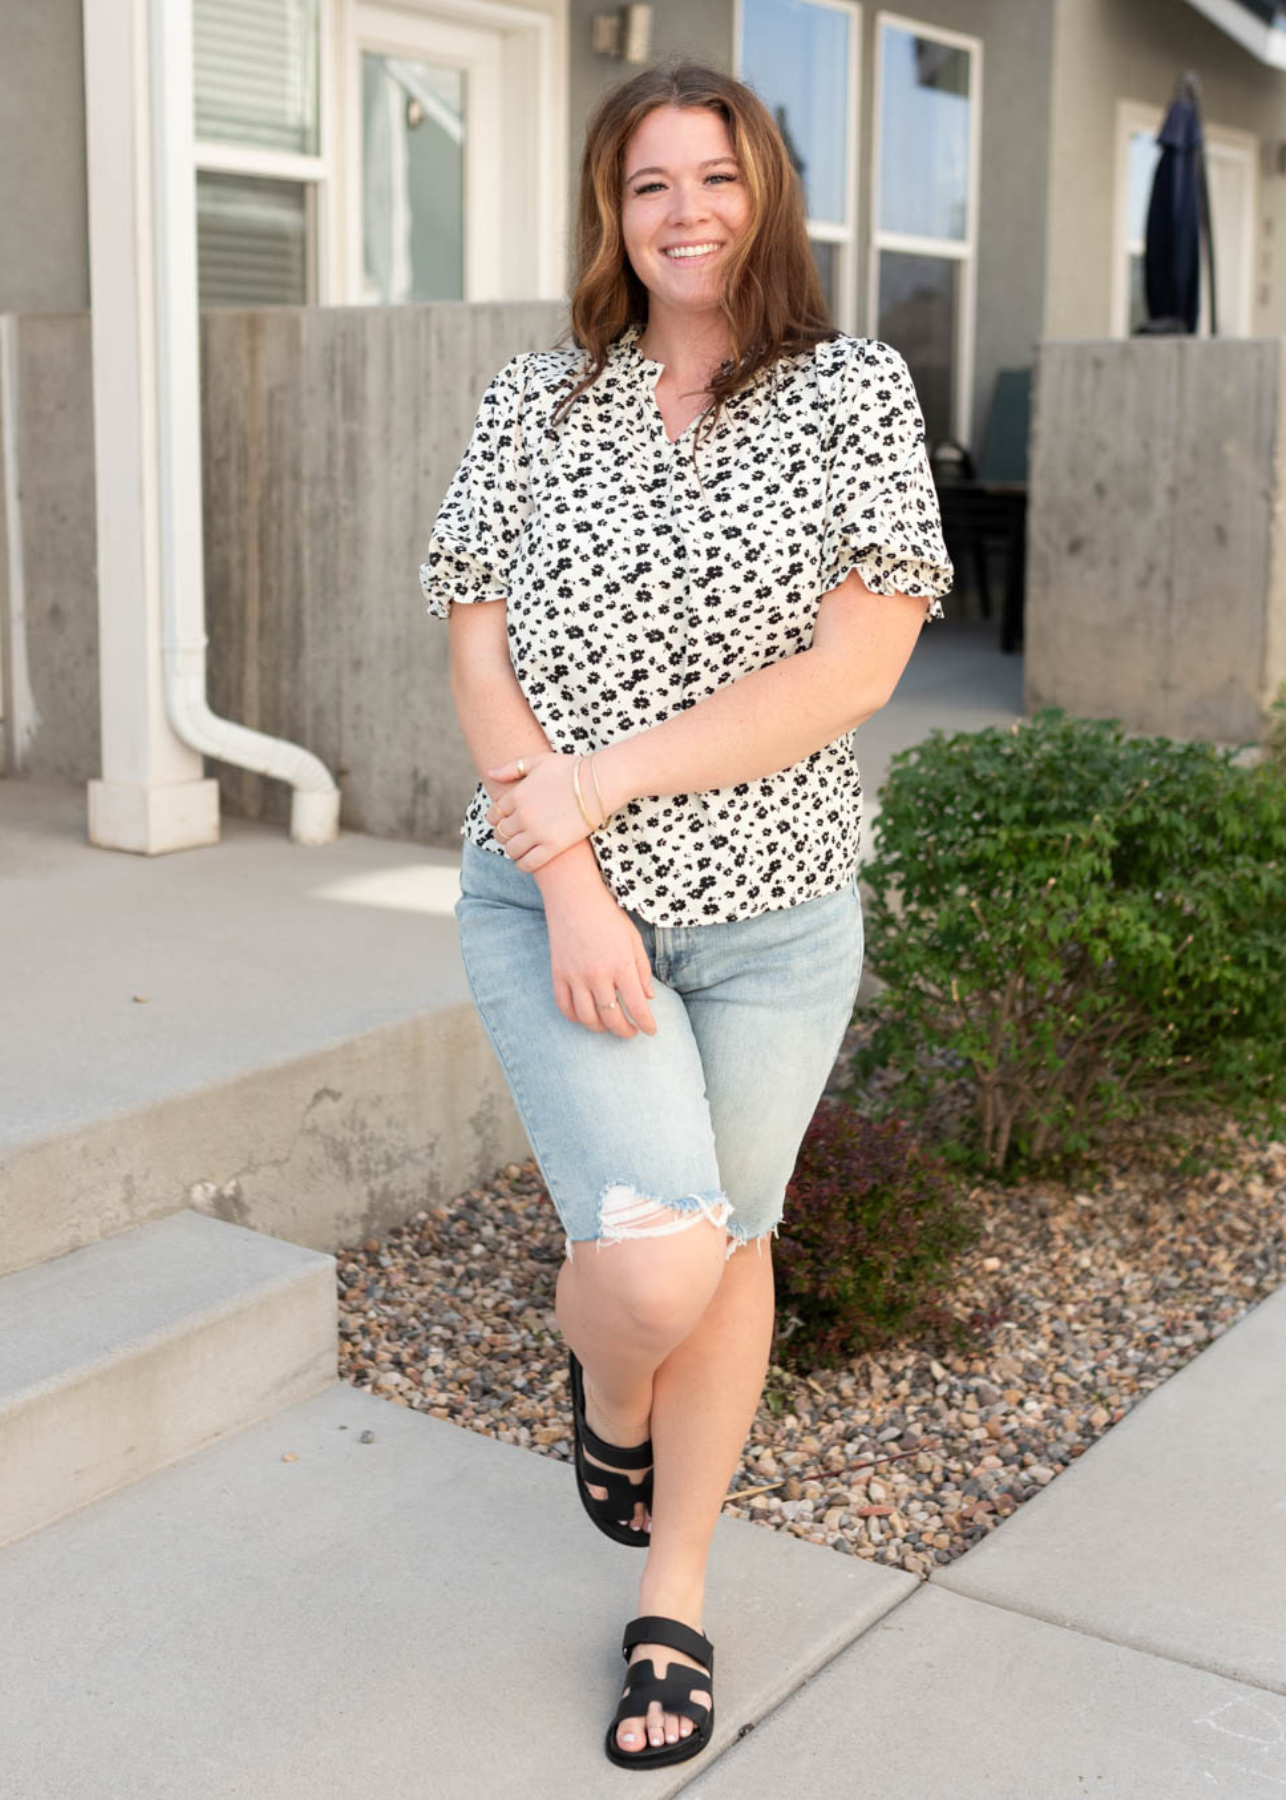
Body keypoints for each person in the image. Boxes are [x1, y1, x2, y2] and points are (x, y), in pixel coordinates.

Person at [419, 59, 952, 1772]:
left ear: (764, 191)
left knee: (730, 1251)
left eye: (713, 177)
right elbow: (476, 641)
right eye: (647, 184)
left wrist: (606, 777)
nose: (684, 212)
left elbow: (855, 664)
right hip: (557, 907)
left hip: (776, 924)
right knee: (650, 1273)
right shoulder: (539, 397)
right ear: (609, 210)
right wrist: (569, 870)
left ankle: (678, 1596)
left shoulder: (851, 390)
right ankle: (606, 1394)